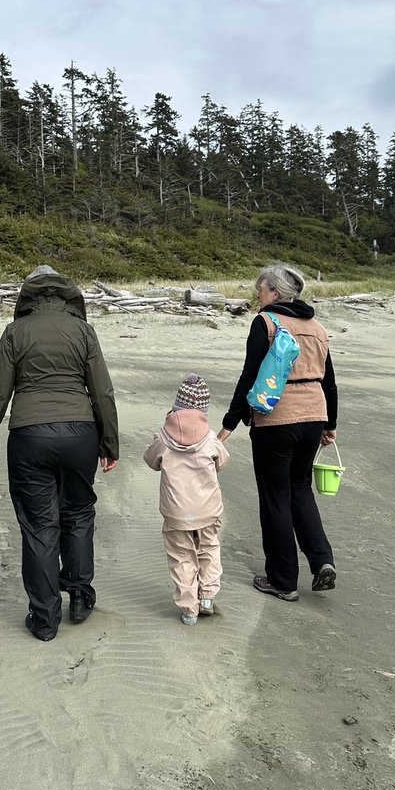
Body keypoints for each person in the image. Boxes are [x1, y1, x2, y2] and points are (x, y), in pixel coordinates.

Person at [0, 266, 119, 642]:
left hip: (29, 436)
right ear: (67, 294)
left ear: (28, 296)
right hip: (80, 433)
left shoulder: (16, 331)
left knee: (39, 526)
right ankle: (80, 596)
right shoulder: (83, 330)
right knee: (79, 514)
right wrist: (109, 443)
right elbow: (102, 392)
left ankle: (45, 617)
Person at [218, 263, 338, 601]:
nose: (257, 294)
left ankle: (283, 581)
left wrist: (230, 420)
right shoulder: (316, 326)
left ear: (275, 292)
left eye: (261, 288)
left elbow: (250, 374)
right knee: (300, 489)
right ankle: (321, 561)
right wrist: (330, 424)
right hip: (313, 416)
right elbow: (329, 381)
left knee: (275, 497)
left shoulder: (266, 322)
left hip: (276, 421)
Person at [144, 373, 229, 625]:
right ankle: (207, 598)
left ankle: (188, 607)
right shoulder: (211, 439)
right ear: (203, 410)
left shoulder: (163, 438)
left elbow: (151, 461)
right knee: (208, 549)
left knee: (182, 557)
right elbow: (222, 462)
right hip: (208, 509)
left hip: (176, 512)